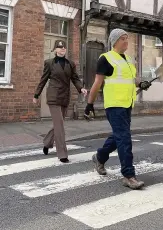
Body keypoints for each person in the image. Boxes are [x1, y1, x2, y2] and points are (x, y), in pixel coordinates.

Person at [85, 28, 151, 189]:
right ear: (114, 41)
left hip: (127, 103)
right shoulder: (106, 59)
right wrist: (89, 104)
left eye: (127, 39)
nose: (126, 41)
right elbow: (97, 83)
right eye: (123, 39)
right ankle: (129, 175)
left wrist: (141, 83)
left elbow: (131, 79)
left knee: (119, 136)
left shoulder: (128, 60)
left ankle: (100, 157)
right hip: (114, 105)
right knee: (124, 139)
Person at [33, 40, 87, 163]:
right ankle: (62, 154)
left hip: (64, 97)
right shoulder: (49, 63)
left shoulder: (71, 64)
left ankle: (47, 143)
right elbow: (43, 80)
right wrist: (36, 95)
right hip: (53, 97)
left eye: (64, 48)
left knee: (58, 124)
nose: (62, 49)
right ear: (55, 49)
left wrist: (81, 88)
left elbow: (75, 78)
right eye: (59, 47)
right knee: (60, 126)